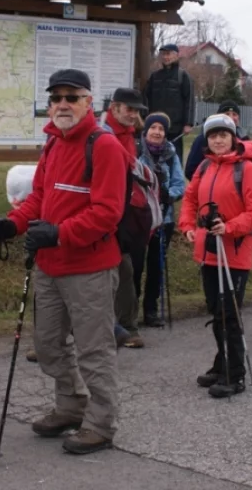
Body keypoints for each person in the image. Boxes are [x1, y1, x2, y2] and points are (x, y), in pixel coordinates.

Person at [0, 68, 128, 455]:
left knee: (94, 351)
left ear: (88, 103)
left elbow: (108, 212)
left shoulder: (103, 146)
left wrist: (60, 233)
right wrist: (12, 224)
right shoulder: (53, 144)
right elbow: (39, 199)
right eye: (56, 98)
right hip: (50, 265)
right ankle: (71, 406)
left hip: (90, 268)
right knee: (48, 345)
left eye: (72, 97)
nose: (63, 104)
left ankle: (101, 424)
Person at [179, 114, 252, 399]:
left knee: (229, 315)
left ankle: (235, 373)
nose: (218, 140)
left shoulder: (247, 168)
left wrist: (229, 227)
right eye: (213, 136)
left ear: (233, 137)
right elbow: (190, 198)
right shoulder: (205, 166)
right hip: (208, 251)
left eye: (223, 135)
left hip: (235, 251)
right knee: (217, 313)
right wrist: (187, 226)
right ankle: (222, 364)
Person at [101, 87, 148, 348]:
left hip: (124, 211)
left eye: (136, 110)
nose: (133, 114)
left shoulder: (129, 134)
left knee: (124, 269)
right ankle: (53, 338)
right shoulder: (102, 134)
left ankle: (127, 327)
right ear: (114, 107)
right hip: (101, 210)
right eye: (129, 109)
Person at [136, 112, 186, 327]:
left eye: (161, 129)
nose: (157, 132)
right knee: (135, 267)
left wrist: (169, 195)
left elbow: (179, 184)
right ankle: (129, 312)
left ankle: (151, 310)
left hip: (164, 219)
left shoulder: (171, 154)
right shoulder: (137, 152)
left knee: (156, 267)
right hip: (139, 219)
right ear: (146, 130)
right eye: (153, 128)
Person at [144, 44, 195, 162]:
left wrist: (188, 123)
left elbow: (190, 100)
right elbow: (146, 97)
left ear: (176, 55)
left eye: (168, 54)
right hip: (156, 125)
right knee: (153, 157)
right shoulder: (155, 76)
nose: (165, 57)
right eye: (163, 54)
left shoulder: (183, 76)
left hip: (174, 128)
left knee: (174, 158)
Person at [183, 100, 250, 180]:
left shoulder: (244, 140)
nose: (231, 117)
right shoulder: (203, 139)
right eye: (227, 114)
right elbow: (190, 170)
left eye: (234, 114)